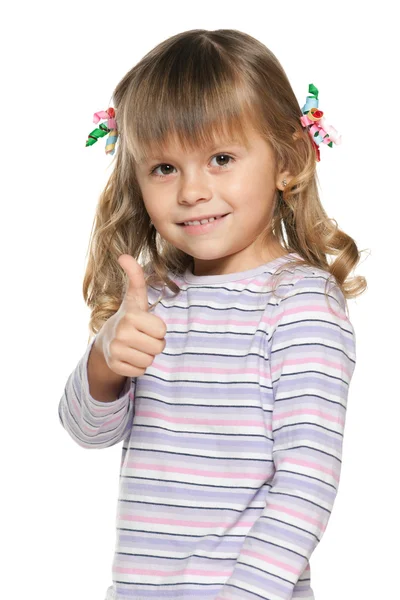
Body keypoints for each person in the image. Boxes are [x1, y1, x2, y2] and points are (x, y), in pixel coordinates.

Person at [58, 28, 366, 600]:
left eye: (221, 158)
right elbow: (84, 430)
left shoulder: (299, 306)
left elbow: (306, 484)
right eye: (164, 168)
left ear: (288, 160)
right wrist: (106, 358)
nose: (192, 190)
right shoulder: (152, 297)